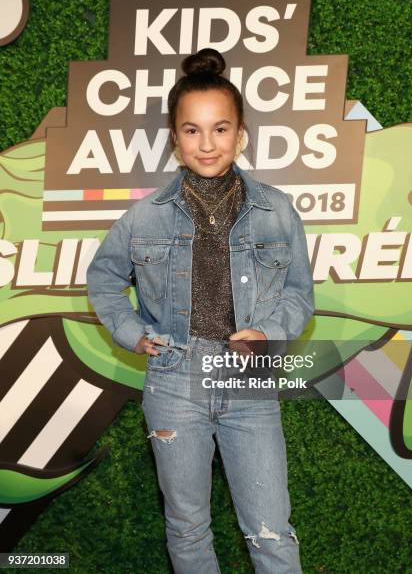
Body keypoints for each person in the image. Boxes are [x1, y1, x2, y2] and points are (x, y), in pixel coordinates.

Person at [86, 47, 314, 574]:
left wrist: (267, 331)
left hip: (248, 379)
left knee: (271, 529)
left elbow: (300, 293)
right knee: (187, 528)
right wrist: (131, 331)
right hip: (172, 379)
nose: (206, 143)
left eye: (220, 129)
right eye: (192, 130)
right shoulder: (144, 216)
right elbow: (102, 278)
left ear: (240, 133)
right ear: (174, 137)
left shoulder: (277, 209)